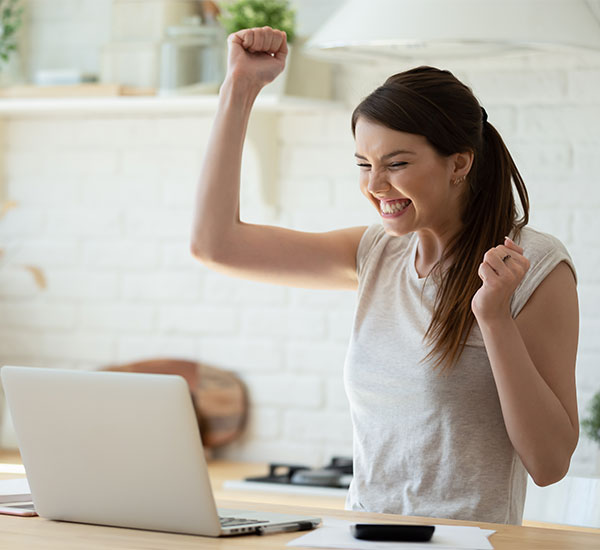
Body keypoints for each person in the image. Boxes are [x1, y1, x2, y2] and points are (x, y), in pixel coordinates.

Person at [191, 26, 579, 525]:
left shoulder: (532, 267)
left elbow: (549, 464)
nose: (375, 186)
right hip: (361, 536)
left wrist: (494, 318)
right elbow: (215, 245)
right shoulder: (376, 251)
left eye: (396, 163)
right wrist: (239, 89)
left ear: (459, 163)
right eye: (363, 164)